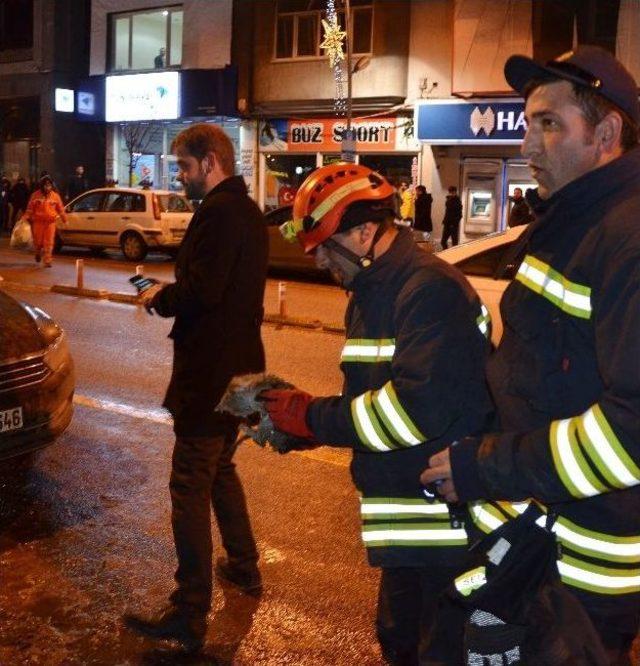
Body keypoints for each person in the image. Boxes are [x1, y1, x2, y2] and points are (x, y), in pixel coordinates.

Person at [421, 45, 640, 664]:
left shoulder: (626, 237)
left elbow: (632, 433)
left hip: (585, 575)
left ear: (607, 132)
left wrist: (486, 466)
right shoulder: (572, 221)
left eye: (550, 124)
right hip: (538, 548)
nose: (528, 146)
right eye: (528, 123)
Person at [262, 163, 493, 665]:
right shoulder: (371, 293)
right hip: (409, 525)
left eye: (326, 244)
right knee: (397, 641)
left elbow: (411, 412)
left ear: (366, 231)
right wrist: (304, 426)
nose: (320, 259)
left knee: (436, 652)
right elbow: (368, 400)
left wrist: (315, 419)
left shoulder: (429, 291)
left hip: (446, 531)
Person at [123, 123, 268, 652]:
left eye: (184, 166)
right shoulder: (245, 211)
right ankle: (245, 565)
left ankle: (188, 611)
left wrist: (161, 297)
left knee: (189, 483)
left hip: (210, 375)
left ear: (210, 161)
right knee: (221, 467)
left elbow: (203, 290)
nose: (180, 177)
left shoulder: (222, 212)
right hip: (239, 370)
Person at [22, 175, 67, 267]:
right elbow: (29, 209)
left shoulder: (55, 196)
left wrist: (65, 220)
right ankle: (38, 252)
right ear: (42, 186)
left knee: (49, 242)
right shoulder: (35, 196)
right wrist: (24, 219)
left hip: (50, 223)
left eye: (49, 185)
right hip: (38, 223)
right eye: (45, 185)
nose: (47, 187)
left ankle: (47, 260)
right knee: (38, 242)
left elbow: (61, 209)